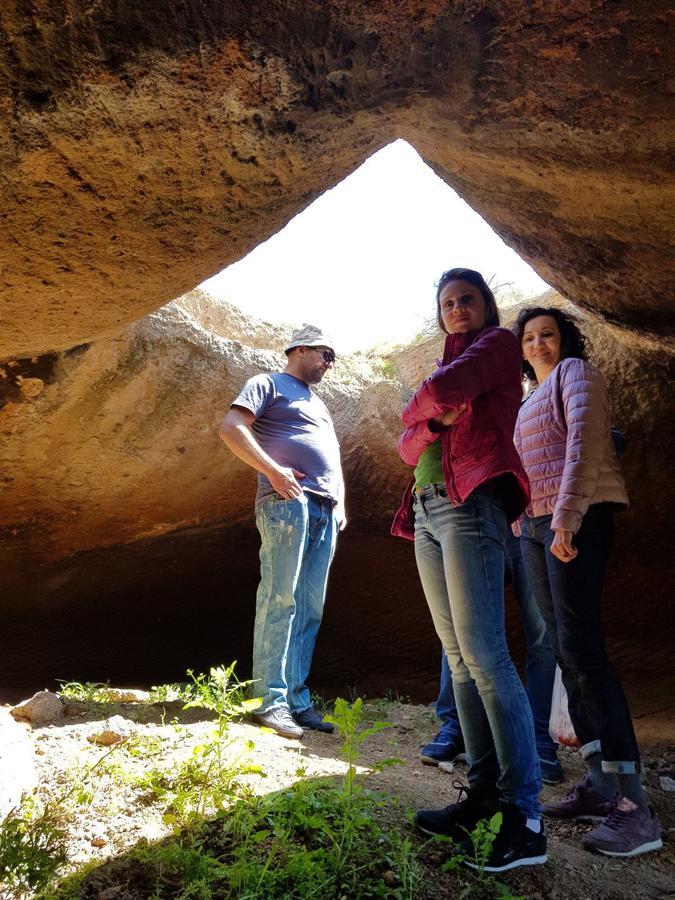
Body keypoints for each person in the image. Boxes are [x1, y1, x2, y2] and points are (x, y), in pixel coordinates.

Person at [391, 268, 546, 872]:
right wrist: (429, 418)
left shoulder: (500, 345)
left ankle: (524, 817)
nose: (457, 308)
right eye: (447, 303)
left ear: (486, 306)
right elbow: (406, 444)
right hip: (427, 510)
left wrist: (424, 403)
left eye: (467, 300)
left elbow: (434, 393)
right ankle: (482, 797)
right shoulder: (450, 369)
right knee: (457, 658)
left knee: (486, 656)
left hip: (471, 502)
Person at [513, 306, 662, 858]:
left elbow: (584, 446)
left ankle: (635, 809)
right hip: (533, 525)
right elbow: (526, 463)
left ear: (565, 338)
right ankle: (600, 787)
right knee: (563, 649)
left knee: (582, 648)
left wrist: (566, 517)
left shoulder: (576, 373)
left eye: (547, 334)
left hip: (572, 518)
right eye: (529, 338)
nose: (539, 343)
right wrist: (521, 522)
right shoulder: (529, 396)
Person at [219, 324, 346, 740]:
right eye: (326, 354)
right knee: (281, 597)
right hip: (287, 503)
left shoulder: (318, 403)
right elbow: (231, 427)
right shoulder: (267, 383)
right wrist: (273, 472)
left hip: (325, 510)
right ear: (302, 348)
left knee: (311, 607)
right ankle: (269, 701)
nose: (330, 364)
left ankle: (296, 700)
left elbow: (332, 455)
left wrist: (340, 501)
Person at [422, 526, 562, 785]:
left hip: (531, 521)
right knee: (463, 619)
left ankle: (539, 736)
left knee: (542, 632)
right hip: (484, 517)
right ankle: (457, 726)